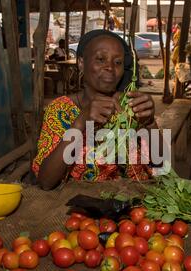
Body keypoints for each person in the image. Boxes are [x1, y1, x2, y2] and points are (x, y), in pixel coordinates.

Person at [32, 30, 158, 190]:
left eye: (118, 62)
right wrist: (80, 122)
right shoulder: (61, 110)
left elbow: (165, 168)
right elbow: (46, 181)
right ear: (81, 63)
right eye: (100, 59)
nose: (110, 68)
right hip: (80, 207)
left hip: (135, 205)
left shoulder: (132, 106)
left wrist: (150, 123)